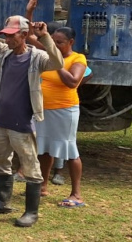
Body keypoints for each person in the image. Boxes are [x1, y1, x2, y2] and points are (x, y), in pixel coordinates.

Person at [0, 0, 64, 227]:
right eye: (6, 34)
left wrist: (45, 36)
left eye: (12, 34)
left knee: (30, 166)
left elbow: (58, 62)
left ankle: (31, 212)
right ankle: (3, 202)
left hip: (22, 123)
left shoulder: (37, 58)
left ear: (24, 35)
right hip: (1, 120)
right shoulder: (3, 53)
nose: (6, 38)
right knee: (1, 162)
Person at [36, 27, 87, 207]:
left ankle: (76, 194)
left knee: (70, 150)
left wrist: (56, 61)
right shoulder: (48, 52)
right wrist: (30, 12)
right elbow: (29, 37)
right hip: (43, 110)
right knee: (45, 148)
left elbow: (73, 81)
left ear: (71, 43)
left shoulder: (77, 59)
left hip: (65, 111)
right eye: (53, 42)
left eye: (60, 43)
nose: (55, 46)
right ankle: (42, 185)